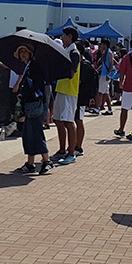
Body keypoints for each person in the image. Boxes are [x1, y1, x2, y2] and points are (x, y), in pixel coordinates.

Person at [12, 45, 52, 175]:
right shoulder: (27, 67)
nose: (23, 54)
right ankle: (30, 163)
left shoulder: (34, 67)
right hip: (30, 105)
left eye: (25, 52)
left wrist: (24, 93)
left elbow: (37, 85)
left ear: (30, 54)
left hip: (36, 105)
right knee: (28, 133)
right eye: (21, 52)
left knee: (36, 133)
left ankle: (47, 161)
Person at [51, 26, 81, 164]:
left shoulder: (74, 53)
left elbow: (71, 73)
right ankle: (62, 150)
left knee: (69, 122)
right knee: (57, 120)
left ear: (70, 37)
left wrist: (58, 69)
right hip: (61, 90)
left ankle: (71, 152)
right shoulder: (66, 51)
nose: (61, 38)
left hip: (69, 92)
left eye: (63, 35)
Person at [95, 40, 116, 115]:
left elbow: (111, 65)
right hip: (104, 74)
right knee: (106, 93)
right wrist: (97, 70)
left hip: (105, 75)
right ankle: (109, 109)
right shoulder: (105, 53)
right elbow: (103, 65)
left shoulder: (109, 53)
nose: (101, 46)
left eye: (102, 44)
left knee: (100, 92)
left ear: (106, 45)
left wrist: (108, 75)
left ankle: (97, 108)